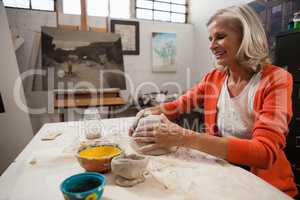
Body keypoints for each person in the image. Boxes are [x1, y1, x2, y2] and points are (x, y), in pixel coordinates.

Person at [129, 4, 298, 198]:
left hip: (266, 186)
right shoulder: (214, 78)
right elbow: (179, 105)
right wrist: (150, 112)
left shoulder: (276, 79)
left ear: (246, 37)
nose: (211, 46)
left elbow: (264, 152)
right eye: (210, 39)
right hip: (224, 173)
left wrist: (183, 137)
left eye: (220, 36)